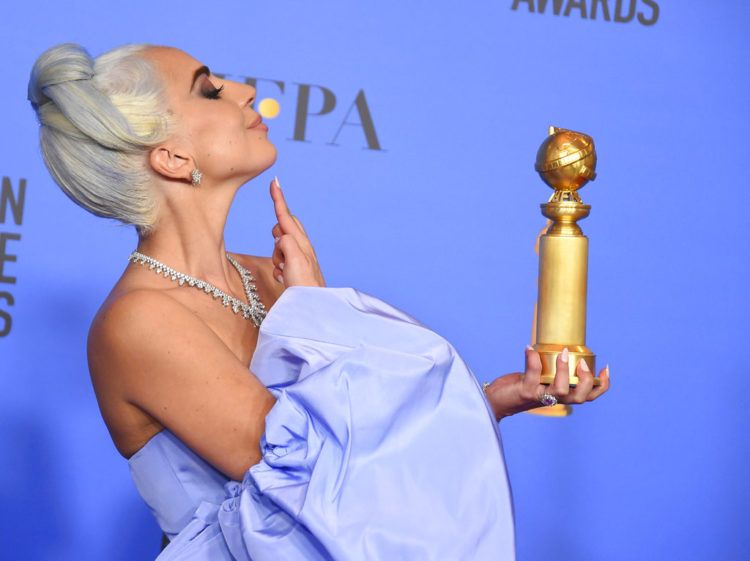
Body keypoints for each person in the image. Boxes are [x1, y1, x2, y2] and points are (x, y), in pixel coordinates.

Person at [27, 42, 610, 561]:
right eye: (210, 89)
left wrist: (494, 401)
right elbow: (318, 485)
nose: (247, 90)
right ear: (172, 158)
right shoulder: (141, 320)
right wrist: (314, 309)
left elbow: (368, 462)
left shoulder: (270, 274)